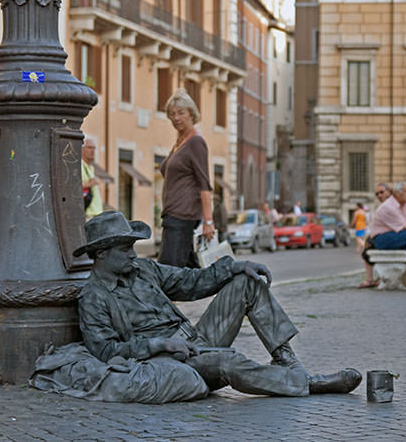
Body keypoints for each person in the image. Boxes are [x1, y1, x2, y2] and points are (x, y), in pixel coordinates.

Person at [30, 211, 361, 403]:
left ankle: (288, 360)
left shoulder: (145, 269)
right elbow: (104, 351)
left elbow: (192, 282)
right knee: (227, 361)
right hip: (170, 357)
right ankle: (308, 384)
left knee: (245, 282)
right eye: (124, 250)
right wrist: (158, 344)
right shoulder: (94, 297)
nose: (133, 254)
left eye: (132, 247)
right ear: (101, 254)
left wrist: (233, 266)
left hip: (195, 339)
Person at [158, 89, 214, 268]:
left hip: (182, 216)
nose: (176, 118)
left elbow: (204, 183)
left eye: (181, 113)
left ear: (192, 114)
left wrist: (208, 222)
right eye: (172, 114)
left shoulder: (195, 142)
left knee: (169, 273)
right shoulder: (179, 143)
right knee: (184, 273)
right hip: (173, 215)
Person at [357, 183, 392, 288]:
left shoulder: (392, 205)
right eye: (377, 194)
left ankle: (373, 279)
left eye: (382, 192)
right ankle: (371, 279)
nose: (379, 195)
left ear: (389, 192)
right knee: (367, 251)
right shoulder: (383, 206)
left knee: (369, 249)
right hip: (384, 236)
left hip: (391, 237)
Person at [81, 138, 104, 220]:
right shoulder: (80, 165)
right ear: (82, 150)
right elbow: (75, 187)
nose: (92, 151)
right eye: (89, 148)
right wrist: (90, 184)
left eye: (94, 148)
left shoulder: (90, 167)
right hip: (88, 215)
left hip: (96, 214)